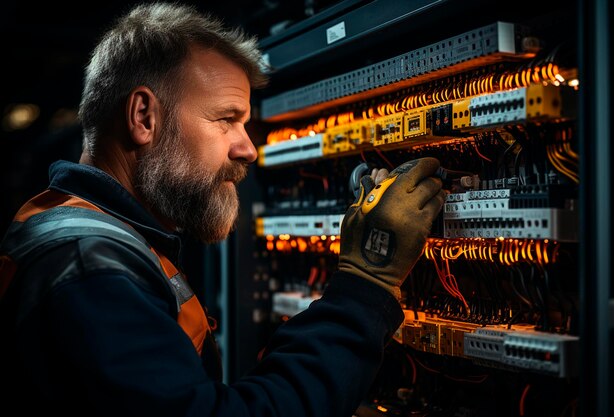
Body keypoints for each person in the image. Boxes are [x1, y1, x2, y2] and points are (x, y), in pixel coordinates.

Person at [0, 2, 446, 416]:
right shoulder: (88, 267)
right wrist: (366, 283)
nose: (249, 149)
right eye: (226, 119)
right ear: (143, 117)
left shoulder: (79, 229)